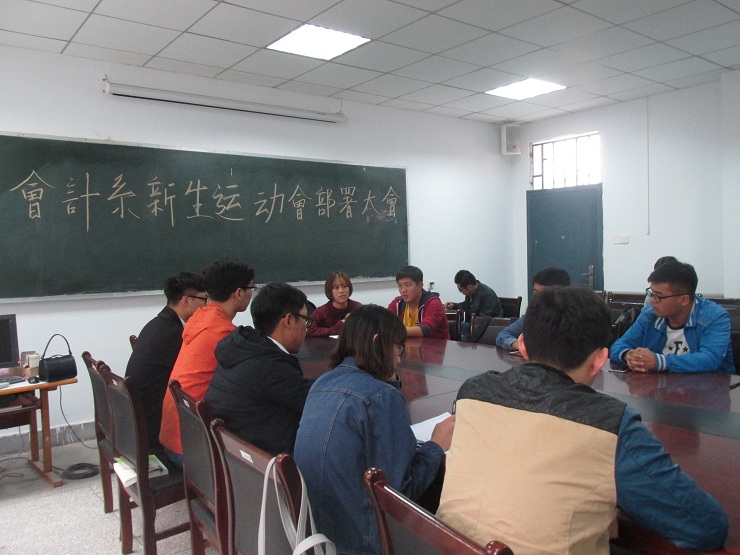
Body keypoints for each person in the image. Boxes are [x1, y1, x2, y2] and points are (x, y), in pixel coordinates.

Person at [437, 286, 728, 555]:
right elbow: (705, 526)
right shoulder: (610, 423)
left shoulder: (473, 392)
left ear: (522, 346)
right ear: (600, 360)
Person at [294, 304, 455, 555]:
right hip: (364, 542)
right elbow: (401, 494)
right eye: (397, 348)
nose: (399, 359)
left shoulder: (321, 383)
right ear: (378, 342)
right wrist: (436, 445)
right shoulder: (379, 398)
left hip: (318, 535)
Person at [159, 257, 255, 468]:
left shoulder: (199, 317)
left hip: (174, 435)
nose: (252, 293)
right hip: (191, 448)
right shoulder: (223, 334)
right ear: (239, 293)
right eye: (251, 288)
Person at [205, 282, 314, 455]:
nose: (306, 329)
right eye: (306, 320)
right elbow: (318, 401)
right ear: (289, 320)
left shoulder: (243, 347)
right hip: (265, 462)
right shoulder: (269, 367)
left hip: (235, 455)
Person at [125, 271, 206, 448]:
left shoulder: (159, 323)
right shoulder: (174, 334)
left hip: (138, 418)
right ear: (186, 300)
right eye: (204, 299)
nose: (207, 306)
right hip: (154, 425)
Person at [611, 260, 734, 373]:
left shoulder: (714, 317)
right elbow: (618, 346)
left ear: (684, 299)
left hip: (708, 386)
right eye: (651, 293)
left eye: (658, 296)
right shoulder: (649, 315)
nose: (652, 300)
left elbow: (710, 359)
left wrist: (659, 362)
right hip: (659, 385)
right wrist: (629, 355)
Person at [495, 267, 570, 350]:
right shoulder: (534, 313)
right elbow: (503, 335)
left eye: (543, 294)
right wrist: (520, 346)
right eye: (535, 292)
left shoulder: (574, 316)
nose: (537, 298)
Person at [388, 265, 449, 339]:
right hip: (408, 345)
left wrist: (396, 331)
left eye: (407, 285)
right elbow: (384, 321)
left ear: (420, 285)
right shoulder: (398, 302)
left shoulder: (433, 302)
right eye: (400, 285)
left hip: (436, 345)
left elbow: (426, 329)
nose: (403, 290)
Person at [445, 270, 503, 341]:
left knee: (455, 336)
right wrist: (454, 305)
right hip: (473, 324)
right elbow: (466, 306)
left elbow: (484, 319)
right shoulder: (470, 293)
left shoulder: (488, 295)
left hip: (487, 328)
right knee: (450, 328)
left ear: (469, 287)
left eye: (460, 290)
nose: (461, 292)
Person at [306, 271, 362, 337]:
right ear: (330, 291)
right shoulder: (321, 312)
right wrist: (335, 330)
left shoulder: (358, 308)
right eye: (336, 287)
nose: (341, 291)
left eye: (345, 286)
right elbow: (309, 331)